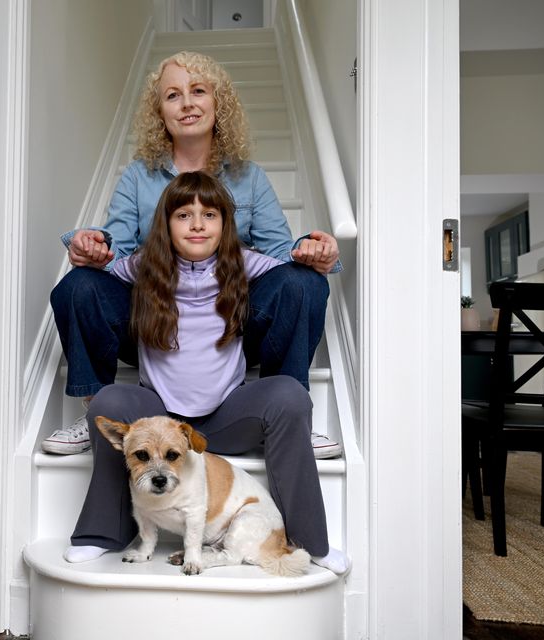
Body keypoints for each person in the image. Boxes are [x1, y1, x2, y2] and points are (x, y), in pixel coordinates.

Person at [45, 51, 342, 458]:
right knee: (79, 285)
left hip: (226, 324)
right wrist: (93, 250)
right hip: (155, 324)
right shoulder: (137, 176)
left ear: (217, 104)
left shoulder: (249, 177)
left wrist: (314, 253)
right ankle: (97, 410)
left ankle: (286, 414)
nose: (187, 103)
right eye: (173, 95)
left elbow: (279, 256)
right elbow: (117, 256)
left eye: (198, 91)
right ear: (160, 113)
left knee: (304, 282)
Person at [63, 171, 349, 575]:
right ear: (165, 224)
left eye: (209, 214)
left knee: (289, 394)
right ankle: (101, 532)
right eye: (183, 215)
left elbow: (298, 267)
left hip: (226, 415)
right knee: (107, 393)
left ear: (225, 224)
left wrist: (323, 258)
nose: (197, 224)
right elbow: (93, 278)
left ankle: (309, 540)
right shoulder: (143, 266)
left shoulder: (244, 263)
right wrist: (84, 249)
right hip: (159, 412)